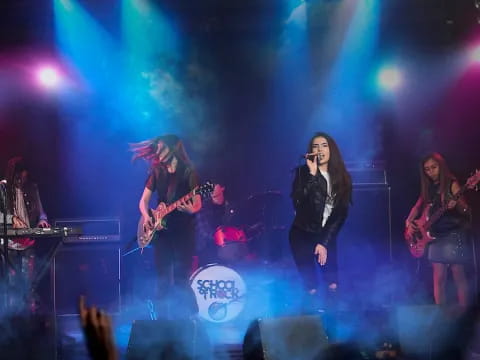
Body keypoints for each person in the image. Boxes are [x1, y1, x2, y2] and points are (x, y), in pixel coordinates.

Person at [131, 135, 202, 318]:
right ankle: (161, 325)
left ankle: (193, 319)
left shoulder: (188, 171)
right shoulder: (157, 172)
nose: (158, 152)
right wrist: (147, 217)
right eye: (157, 148)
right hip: (162, 233)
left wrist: (190, 210)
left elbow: (197, 203)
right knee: (162, 281)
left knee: (181, 279)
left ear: (173, 149)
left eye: (161, 148)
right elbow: (143, 201)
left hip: (183, 233)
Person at [289, 132, 352, 312]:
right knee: (311, 286)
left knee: (332, 283)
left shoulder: (342, 177)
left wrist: (324, 242)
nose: (320, 150)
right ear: (311, 152)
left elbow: (341, 215)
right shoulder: (303, 173)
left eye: (324, 145)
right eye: (315, 146)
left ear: (331, 149)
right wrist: (313, 175)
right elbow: (298, 202)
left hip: (325, 235)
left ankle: (333, 327)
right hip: (301, 234)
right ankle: (310, 324)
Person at [405, 152, 472, 306]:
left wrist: (458, 206)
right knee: (439, 277)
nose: (430, 172)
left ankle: (464, 313)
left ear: (441, 167)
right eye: (427, 169)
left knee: (457, 274)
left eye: (433, 168)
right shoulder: (428, 188)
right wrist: (408, 221)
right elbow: (417, 207)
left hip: (452, 233)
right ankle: (440, 314)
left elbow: (466, 210)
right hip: (434, 235)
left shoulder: (451, 184)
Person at [1, 156, 50, 312]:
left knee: (29, 284)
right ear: (13, 174)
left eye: (24, 177)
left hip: (27, 243)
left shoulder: (31, 188)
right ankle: (13, 320)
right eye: (19, 177)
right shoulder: (3, 188)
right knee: (12, 284)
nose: (21, 181)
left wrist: (43, 220)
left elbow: (41, 212)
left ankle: (28, 321)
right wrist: (12, 219)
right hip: (9, 245)